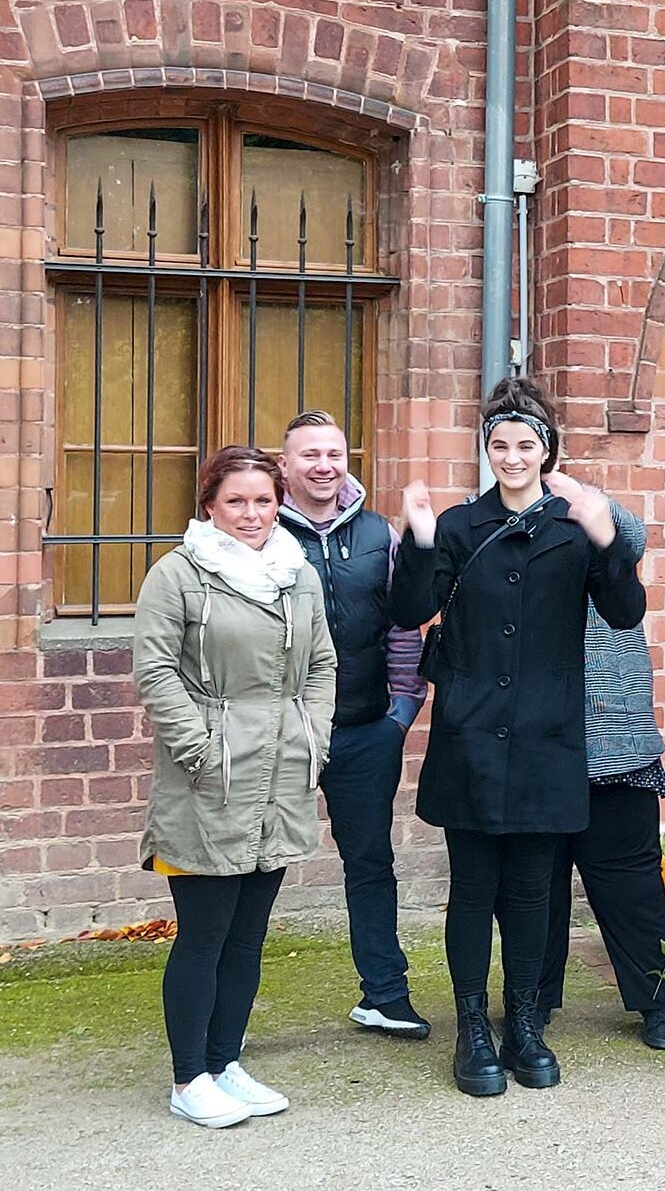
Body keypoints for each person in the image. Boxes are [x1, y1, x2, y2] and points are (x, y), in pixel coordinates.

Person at [392, 375, 645, 1097]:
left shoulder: (573, 528)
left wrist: (606, 539)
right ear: (486, 452)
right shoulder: (459, 526)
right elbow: (409, 606)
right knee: (472, 891)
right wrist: (416, 536)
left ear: (546, 451)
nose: (511, 456)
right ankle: (472, 1026)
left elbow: (625, 612)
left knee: (535, 892)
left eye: (525, 444)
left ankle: (524, 1022)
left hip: (546, 737)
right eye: (498, 444)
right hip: (470, 735)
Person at [132, 446, 335, 1128]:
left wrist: (315, 738)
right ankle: (189, 1078)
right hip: (208, 776)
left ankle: (224, 1062)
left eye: (263, 500)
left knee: (248, 935)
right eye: (236, 501)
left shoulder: (295, 574)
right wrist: (199, 747)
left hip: (280, 773)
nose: (251, 514)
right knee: (204, 933)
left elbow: (322, 665)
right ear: (209, 506)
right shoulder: (179, 574)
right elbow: (156, 671)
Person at [276, 411, 430, 1040]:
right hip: (282, 734)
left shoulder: (376, 535)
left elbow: (402, 624)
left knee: (370, 862)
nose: (323, 466)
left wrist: (400, 713)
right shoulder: (263, 533)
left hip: (366, 729)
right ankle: (223, 1014)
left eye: (334, 454)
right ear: (284, 465)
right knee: (252, 868)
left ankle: (384, 994)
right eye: (309, 455)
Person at [533, 496, 665, 1051]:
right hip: (541, 755)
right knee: (537, 889)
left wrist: (573, 496)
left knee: (634, 888)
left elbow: (631, 532)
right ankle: (534, 1001)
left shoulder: (614, 562)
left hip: (618, 751)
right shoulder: (525, 565)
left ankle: (659, 1003)